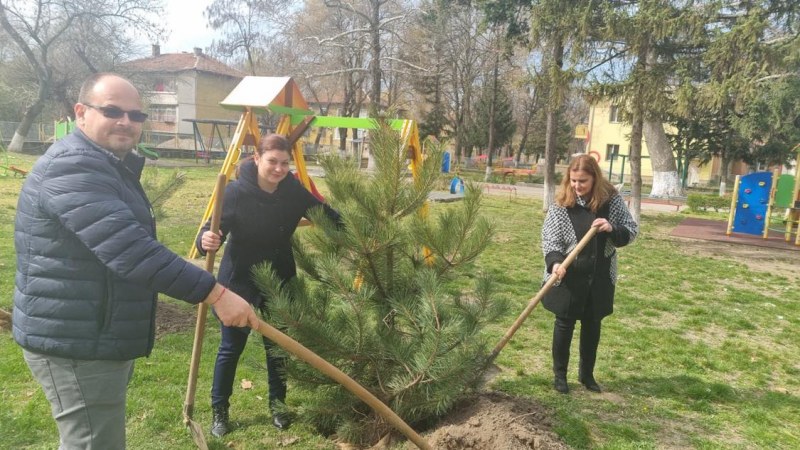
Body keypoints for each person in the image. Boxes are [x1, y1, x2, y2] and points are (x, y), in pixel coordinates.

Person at [12, 73, 259, 449]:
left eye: (136, 115)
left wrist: (193, 274)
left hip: (95, 330)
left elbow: (125, 243)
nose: (126, 122)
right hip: (76, 340)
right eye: (112, 111)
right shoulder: (74, 167)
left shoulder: (105, 164)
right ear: (81, 112)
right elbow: (130, 250)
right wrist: (217, 295)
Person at [196, 133, 341, 436]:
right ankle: (219, 411)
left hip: (280, 277)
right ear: (257, 158)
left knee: (278, 348)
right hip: (239, 281)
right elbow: (210, 230)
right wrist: (205, 240)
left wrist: (363, 225)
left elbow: (327, 216)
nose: (278, 169)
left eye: (284, 163)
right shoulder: (235, 192)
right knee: (231, 348)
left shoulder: (293, 192)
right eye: (272, 161)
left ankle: (279, 406)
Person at [540, 154, 638, 394]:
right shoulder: (562, 204)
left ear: (595, 178)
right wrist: (555, 263)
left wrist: (612, 228)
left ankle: (587, 375)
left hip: (599, 277)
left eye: (582, 181)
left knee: (592, 325)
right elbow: (550, 239)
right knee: (564, 324)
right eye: (573, 180)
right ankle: (560, 376)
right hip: (568, 276)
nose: (577, 186)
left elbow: (631, 230)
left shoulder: (611, 201)